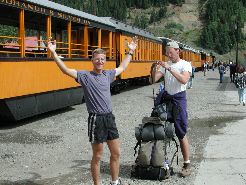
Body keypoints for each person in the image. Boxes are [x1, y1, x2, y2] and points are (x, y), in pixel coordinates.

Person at [47, 37, 138, 185]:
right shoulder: (85, 76)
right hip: (96, 119)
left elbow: (122, 67)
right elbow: (65, 70)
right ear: (92, 60)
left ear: (105, 60)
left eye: (102, 59)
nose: (100, 61)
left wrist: (131, 51)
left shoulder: (108, 75)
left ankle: (114, 182)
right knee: (98, 156)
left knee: (116, 153)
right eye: (97, 59)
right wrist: (53, 53)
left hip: (109, 118)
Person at [150, 41, 192, 177]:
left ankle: (187, 164)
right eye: (167, 52)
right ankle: (162, 160)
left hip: (179, 100)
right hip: (167, 100)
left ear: (177, 51)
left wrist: (169, 68)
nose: (168, 55)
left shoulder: (185, 64)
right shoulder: (166, 64)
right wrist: (153, 68)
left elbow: (184, 80)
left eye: (171, 52)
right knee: (161, 129)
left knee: (181, 132)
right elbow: (153, 80)